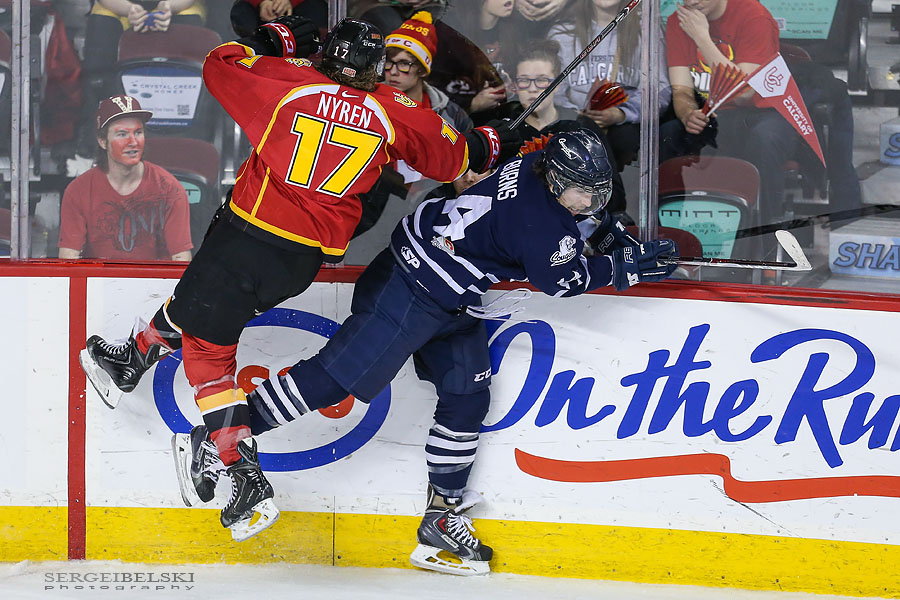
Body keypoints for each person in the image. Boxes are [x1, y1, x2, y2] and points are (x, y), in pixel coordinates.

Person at [78, 15, 521, 542]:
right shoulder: (392, 108)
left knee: (208, 352)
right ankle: (132, 358)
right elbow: (452, 158)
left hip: (249, 236)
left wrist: (274, 42)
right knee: (199, 302)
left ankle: (242, 477)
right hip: (301, 261)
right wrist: (489, 142)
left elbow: (219, 65)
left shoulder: (290, 83)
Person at [173, 129, 679, 574]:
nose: (589, 202)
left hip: (446, 286)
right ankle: (222, 436)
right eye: (583, 194)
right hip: (411, 289)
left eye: (597, 194)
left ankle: (441, 517)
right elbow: (561, 279)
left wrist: (602, 229)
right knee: (334, 378)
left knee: (466, 393)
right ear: (555, 181)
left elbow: (566, 222)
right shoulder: (540, 224)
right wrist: (623, 267)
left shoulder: (535, 160)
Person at [659, 0, 799, 227]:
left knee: (765, 139)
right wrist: (687, 114)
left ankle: (768, 236)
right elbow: (682, 90)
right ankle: (669, 232)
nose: (692, 1)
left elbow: (743, 92)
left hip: (762, 112)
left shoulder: (754, 16)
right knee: (668, 134)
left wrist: (702, 38)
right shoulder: (679, 21)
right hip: (715, 114)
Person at [72, 0, 205, 171]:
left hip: (177, 7)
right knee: (101, 29)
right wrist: (128, 9)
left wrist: (169, 7)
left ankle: (190, 141)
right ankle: (94, 144)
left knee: (190, 26)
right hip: (118, 7)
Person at [58, 95, 193, 261]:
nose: (133, 142)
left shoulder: (169, 189)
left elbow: (181, 258)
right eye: (122, 134)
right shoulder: (78, 191)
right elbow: (68, 259)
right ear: (102, 141)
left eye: (138, 132)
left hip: (156, 285)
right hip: (99, 284)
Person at [510, 38, 628, 217]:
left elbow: (615, 196)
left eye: (542, 80)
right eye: (524, 80)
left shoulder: (580, 126)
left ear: (556, 85)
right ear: (515, 85)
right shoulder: (506, 129)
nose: (533, 88)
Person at [549, 0, 671, 171]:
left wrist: (622, 114)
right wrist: (573, 112)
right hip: (573, 125)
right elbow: (550, 89)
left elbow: (660, 90)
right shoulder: (562, 33)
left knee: (625, 140)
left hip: (625, 134)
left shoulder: (647, 32)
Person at [384, 11, 473, 183]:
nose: (393, 72)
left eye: (403, 64)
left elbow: (465, 163)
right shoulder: (371, 106)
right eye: (389, 62)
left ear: (423, 69)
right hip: (383, 204)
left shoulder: (451, 115)